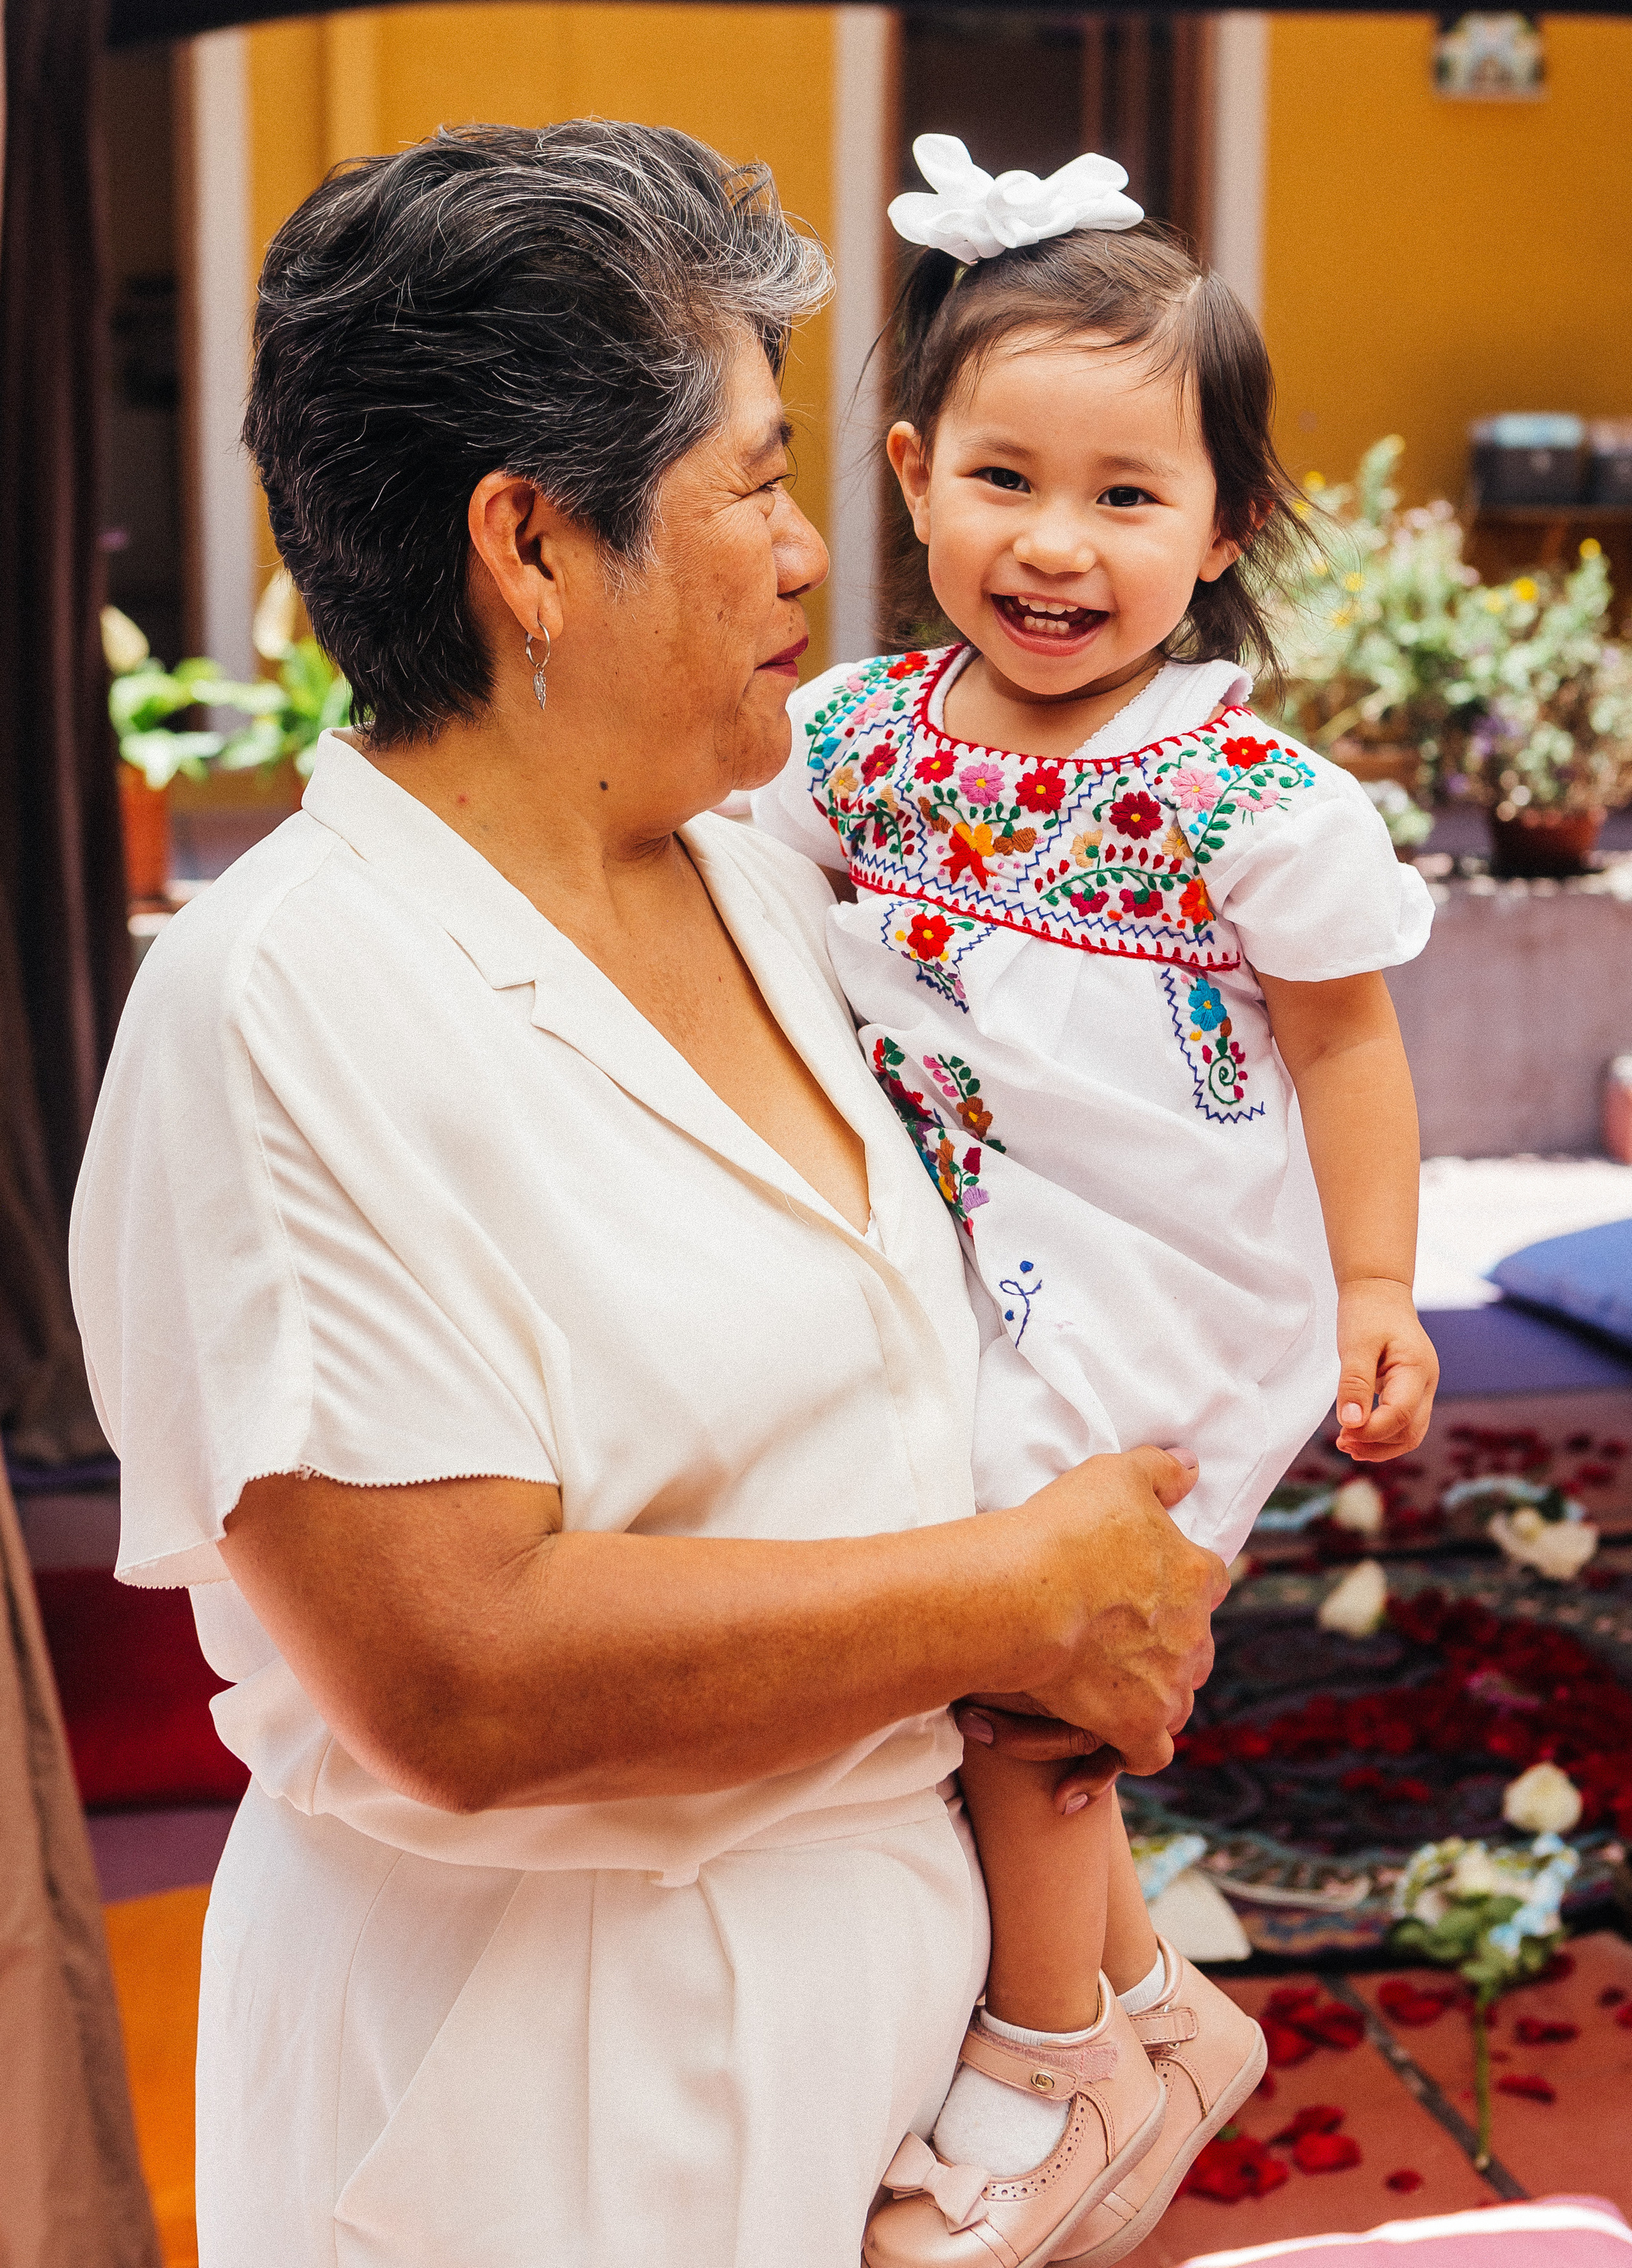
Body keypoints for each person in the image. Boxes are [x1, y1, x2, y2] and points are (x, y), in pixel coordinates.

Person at [68, 121, 1225, 2268]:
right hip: (545, 2106)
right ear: (530, 544)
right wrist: (1018, 1594)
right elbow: (457, 1669)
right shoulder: (290, 1000)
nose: (814, 550)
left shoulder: (756, 874)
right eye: (759, 481)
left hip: (870, 2053)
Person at [754, 134, 1441, 2267]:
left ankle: (1047, 2066)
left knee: (1031, 1678)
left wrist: (1381, 1286)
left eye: (1128, 498)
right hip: (969, 1264)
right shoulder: (857, 733)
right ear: (906, 468)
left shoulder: (1249, 794)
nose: (1057, 547)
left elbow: (1344, 1046)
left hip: (1168, 1300)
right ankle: (1154, 2006)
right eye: (1004, 479)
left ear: (1224, 521)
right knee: (968, 1629)